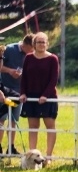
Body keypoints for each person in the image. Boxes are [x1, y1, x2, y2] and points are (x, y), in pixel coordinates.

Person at [19, 32, 59, 164]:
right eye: (38, 42)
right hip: (31, 96)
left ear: (47, 43)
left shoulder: (53, 59)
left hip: (48, 97)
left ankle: (48, 156)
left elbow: (54, 79)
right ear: (34, 44)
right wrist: (23, 93)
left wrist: (45, 95)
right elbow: (24, 77)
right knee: (33, 126)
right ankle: (32, 155)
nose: (41, 44)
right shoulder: (29, 58)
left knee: (50, 125)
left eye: (43, 42)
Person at [0, 33, 34, 155]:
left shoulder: (30, 55)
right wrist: (9, 71)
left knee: (14, 120)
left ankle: (11, 147)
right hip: (4, 90)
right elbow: (0, 67)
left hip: (18, 92)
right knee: (1, 119)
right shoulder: (9, 49)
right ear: (27, 44)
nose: (33, 50)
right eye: (32, 48)